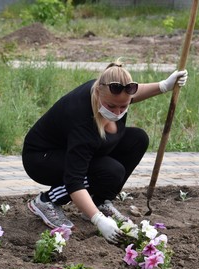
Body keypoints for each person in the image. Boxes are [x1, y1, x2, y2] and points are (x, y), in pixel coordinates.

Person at [21, 61, 188, 244]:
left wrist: (164, 86)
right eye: (111, 106)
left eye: (123, 107)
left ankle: (99, 201)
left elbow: (131, 93)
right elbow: (74, 180)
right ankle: (47, 201)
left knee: (137, 139)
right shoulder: (83, 122)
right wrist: (98, 220)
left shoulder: (110, 89)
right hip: (43, 158)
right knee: (109, 171)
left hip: (73, 148)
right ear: (97, 93)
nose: (117, 112)